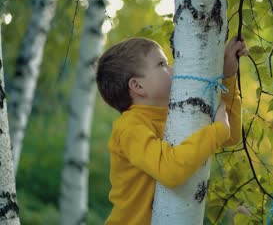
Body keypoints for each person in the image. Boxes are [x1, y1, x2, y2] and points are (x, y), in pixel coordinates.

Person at [96, 37, 248, 224]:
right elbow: (170, 170)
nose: (172, 69)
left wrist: (228, 78)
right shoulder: (129, 128)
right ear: (137, 86)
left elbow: (230, 136)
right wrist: (216, 131)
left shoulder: (179, 114)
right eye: (162, 64)